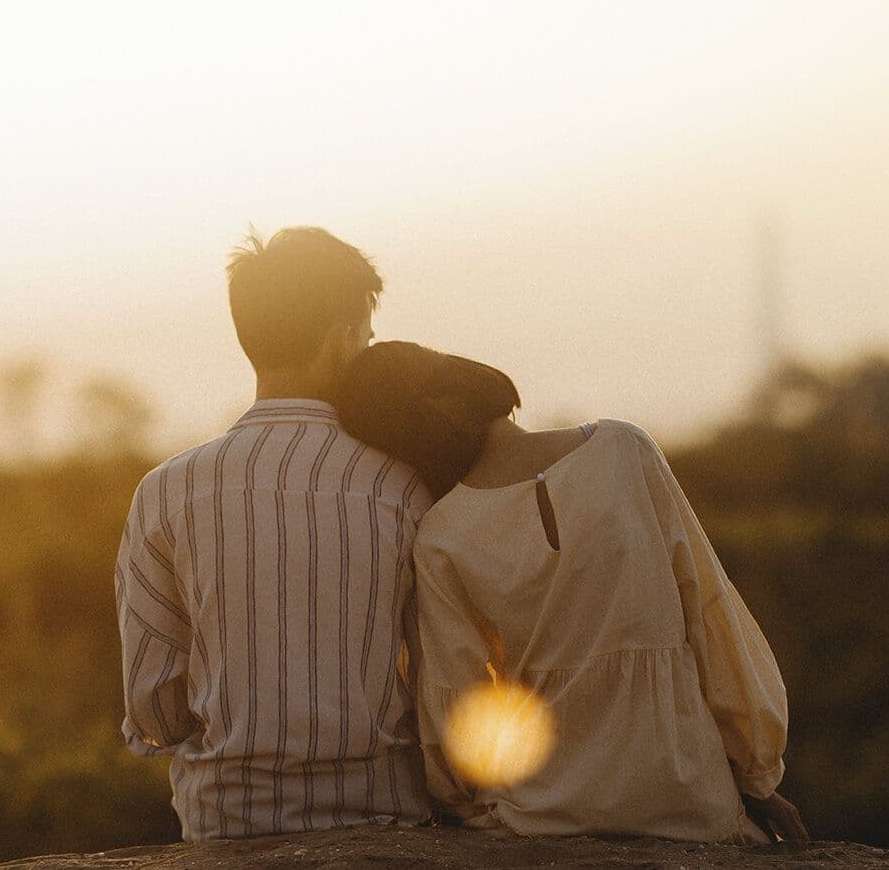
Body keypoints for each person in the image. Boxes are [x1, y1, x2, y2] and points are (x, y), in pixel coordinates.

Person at [332, 341, 809, 844]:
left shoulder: (441, 537)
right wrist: (757, 775)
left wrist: (460, 801)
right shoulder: (626, 450)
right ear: (466, 376)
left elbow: (457, 706)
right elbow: (710, 614)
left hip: (541, 814)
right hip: (688, 798)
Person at [114, 228, 436, 841]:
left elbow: (153, 707)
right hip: (384, 819)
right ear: (343, 337)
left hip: (228, 823)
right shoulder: (403, 487)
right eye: (365, 336)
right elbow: (439, 678)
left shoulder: (165, 491)